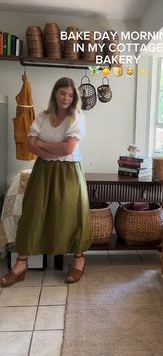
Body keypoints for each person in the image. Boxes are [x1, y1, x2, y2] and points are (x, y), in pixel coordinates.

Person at [0, 77, 91, 287]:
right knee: (33, 213)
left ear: (74, 96)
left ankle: (79, 260)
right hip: (43, 170)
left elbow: (68, 149)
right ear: (55, 94)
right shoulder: (42, 116)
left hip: (68, 171)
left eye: (70, 94)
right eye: (62, 93)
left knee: (71, 214)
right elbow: (30, 145)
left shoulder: (77, 117)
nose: (66, 98)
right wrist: (51, 146)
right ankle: (20, 266)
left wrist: (42, 144)